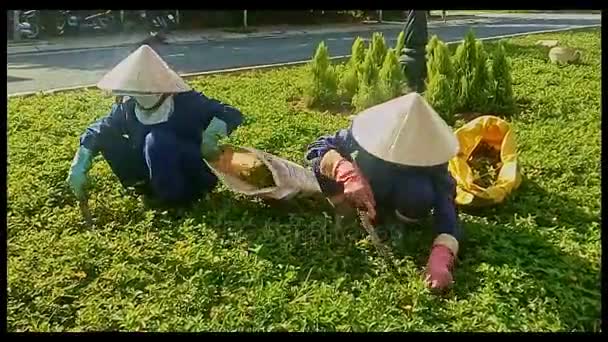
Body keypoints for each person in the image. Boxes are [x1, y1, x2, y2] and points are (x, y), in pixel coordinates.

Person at [305, 92, 462, 291]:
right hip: (368, 185)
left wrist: (442, 254)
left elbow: (445, 201)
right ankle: (347, 214)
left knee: (420, 193)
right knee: (326, 163)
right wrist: (347, 173)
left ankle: (402, 221)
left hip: (405, 192)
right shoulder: (369, 132)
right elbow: (318, 148)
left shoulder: (432, 154)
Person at [66, 44, 244, 208]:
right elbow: (100, 129)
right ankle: (144, 187)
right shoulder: (128, 107)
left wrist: (210, 137)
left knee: (157, 139)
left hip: (188, 174)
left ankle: (174, 201)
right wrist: (81, 160)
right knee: (107, 136)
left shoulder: (187, 101)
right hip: (151, 172)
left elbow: (230, 113)